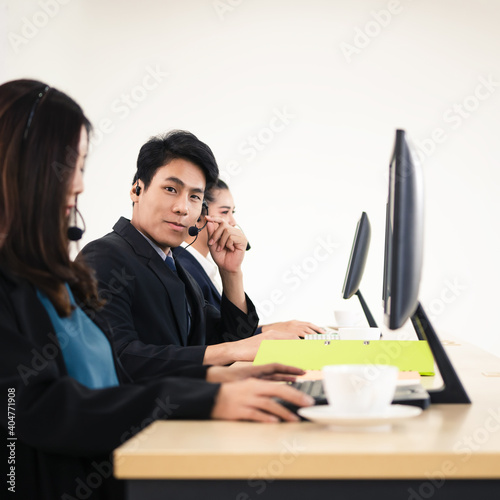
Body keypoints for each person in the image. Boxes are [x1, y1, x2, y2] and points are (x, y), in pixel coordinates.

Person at [0, 79, 314, 499]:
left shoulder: (56, 271)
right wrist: (206, 393)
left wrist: (213, 383)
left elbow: (116, 373)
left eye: (80, 166)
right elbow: (29, 409)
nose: (78, 185)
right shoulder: (99, 260)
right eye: (70, 164)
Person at [77, 131, 302, 382]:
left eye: (194, 196)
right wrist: (233, 349)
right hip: (145, 418)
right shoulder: (105, 256)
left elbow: (227, 340)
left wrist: (231, 272)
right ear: (137, 190)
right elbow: (119, 357)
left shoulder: (175, 264)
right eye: (171, 189)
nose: (183, 208)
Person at [173, 179, 326, 336]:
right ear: (198, 213)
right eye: (224, 212)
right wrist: (269, 330)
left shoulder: (200, 266)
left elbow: (224, 330)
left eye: (233, 212)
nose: (233, 222)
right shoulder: (183, 267)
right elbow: (211, 338)